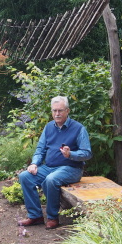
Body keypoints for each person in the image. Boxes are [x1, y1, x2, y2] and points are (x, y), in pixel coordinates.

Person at [18, 96, 92, 230]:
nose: (57, 114)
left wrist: (71, 154)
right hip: (50, 167)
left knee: (50, 180)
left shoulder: (78, 128)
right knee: (25, 176)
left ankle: (52, 217)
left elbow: (87, 153)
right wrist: (34, 163)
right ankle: (35, 216)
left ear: (67, 111)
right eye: (54, 111)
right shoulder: (48, 128)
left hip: (72, 168)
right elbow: (40, 149)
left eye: (60, 110)